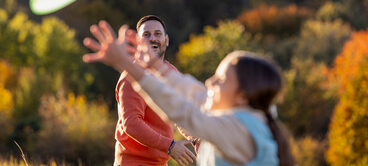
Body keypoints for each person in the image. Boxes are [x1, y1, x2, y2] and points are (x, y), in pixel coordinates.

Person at [83, 20, 294, 166]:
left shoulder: (236, 129)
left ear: (242, 96)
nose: (210, 82)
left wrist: (124, 63)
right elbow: (192, 94)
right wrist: (156, 66)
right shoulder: (251, 115)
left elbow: (182, 109)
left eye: (221, 80)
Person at [84, 16, 195, 166]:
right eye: (146, 35)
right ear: (138, 41)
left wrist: (196, 137)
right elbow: (131, 123)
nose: (153, 38)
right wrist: (170, 146)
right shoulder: (130, 77)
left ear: (166, 40)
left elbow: (178, 111)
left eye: (157, 34)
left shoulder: (172, 73)